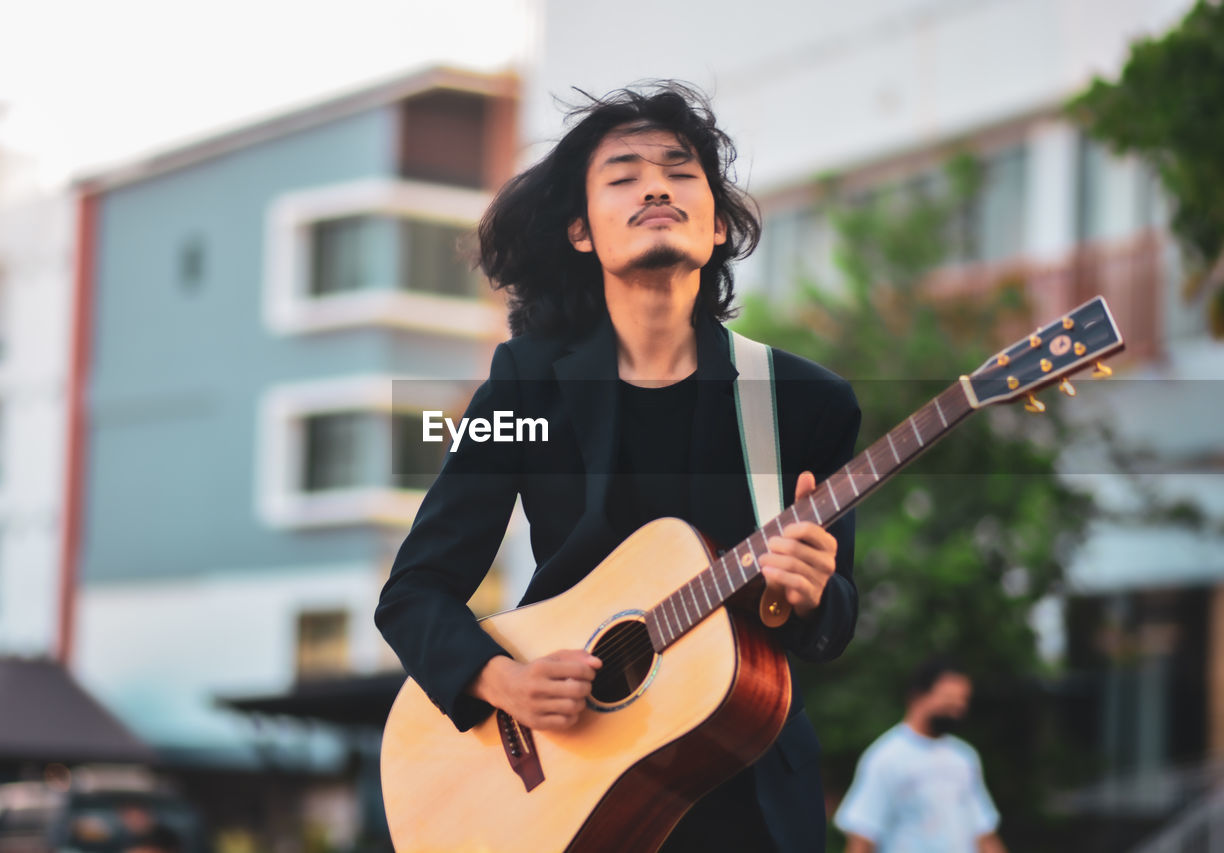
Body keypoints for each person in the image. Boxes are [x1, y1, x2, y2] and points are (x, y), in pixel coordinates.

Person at [374, 82, 861, 852]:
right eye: (625, 174)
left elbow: (827, 623)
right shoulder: (528, 385)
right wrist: (504, 681)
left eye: (679, 169)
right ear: (580, 232)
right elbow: (413, 594)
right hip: (570, 792)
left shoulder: (802, 404)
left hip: (747, 797)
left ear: (718, 223)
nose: (657, 186)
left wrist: (806, 594)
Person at [834, 657, 1007, 853]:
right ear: (917, 697)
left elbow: (983, 832)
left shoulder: (965, 758)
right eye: (949, 698)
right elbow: (862, 837)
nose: (958, 708)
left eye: (963, 700)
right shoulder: (885, 757)